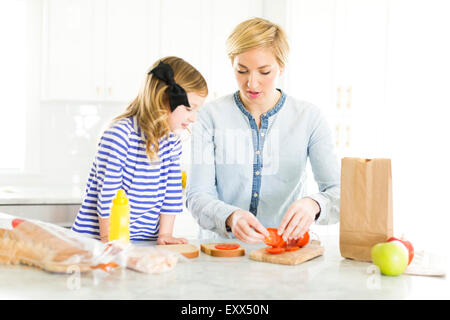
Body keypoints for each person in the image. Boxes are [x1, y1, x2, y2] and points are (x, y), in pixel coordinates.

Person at [186, 18, 340, 244]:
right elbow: (197, 196)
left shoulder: (309, 118)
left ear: (281, 67)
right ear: (232, 64)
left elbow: (339, 193)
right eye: (242, 70)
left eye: (264, 72)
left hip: (284, 251)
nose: (252, 83)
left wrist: (314, 204)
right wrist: (230, 216)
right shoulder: (209, 117)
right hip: (221, 252)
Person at [72, 56, 208, 244]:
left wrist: (165, 235)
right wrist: (109, 241)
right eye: (188, 108)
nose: (193, 118)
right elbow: (108, 194)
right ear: (162, 99)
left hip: (142, 242)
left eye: (197, 110)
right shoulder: (120, 134)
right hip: (99, 241)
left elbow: (172, 191)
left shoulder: (171, 143)